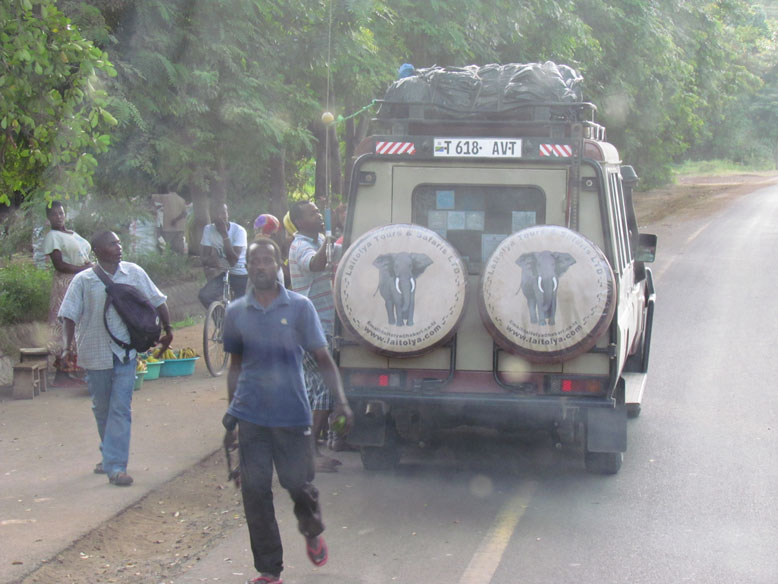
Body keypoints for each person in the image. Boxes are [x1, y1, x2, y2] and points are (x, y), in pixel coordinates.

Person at [222, 238, 353, 584]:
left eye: (268, 260)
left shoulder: (299, 307)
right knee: (254, 491)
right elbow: (235, 367)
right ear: (247, 268)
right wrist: (231, 419)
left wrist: (341, 401)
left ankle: (311, 530)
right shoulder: (235, 313)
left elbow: (324, 359)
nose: (261, 266)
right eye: (255, 261)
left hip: (292, 415)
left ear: (279, 264)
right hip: (251, 416)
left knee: (297, 484)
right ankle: (269, 569)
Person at [58, 230, 173, 487]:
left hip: (126, 352)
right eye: (112, 243)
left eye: (119, 242)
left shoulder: (133, 273)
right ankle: (109, 456)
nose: (118, 247)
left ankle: (116, 467)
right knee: (102, 407)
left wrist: (169, 329)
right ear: (97, 251)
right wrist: (66, 347)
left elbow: (158, 300)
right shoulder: (84, 280)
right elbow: (68, 315)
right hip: (95, 352)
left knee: (120, 408)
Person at [288, 200, 348, 470]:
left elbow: (341, 252)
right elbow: (315, 264)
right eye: (312, 214)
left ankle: (315, 445)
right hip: (309, 328)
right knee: (324, 387)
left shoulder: (320, 239)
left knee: (316, 390)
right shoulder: (300, 245)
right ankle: (309, 453)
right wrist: (328, 243)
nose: (318, 216)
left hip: (321, 324)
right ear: (300, 222)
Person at [42, 201, 93, 386]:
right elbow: (59, 265)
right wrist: (82, 269)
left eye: (61, 213)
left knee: (78, 322)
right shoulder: (53, 236)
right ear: (48, 218)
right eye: (54, 214)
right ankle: (62, 373)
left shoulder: (72, 233)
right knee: (64, 322)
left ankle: (73, 370)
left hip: (79, 281)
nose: (59, 217)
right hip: (65, 283)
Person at [198, 200, 248, 308]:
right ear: (212, 216)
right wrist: (212, 261)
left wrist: (224, 234)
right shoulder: (208, 229)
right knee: (205, 295)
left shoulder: (239, 231)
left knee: (241, 308)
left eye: (223, 213)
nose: (220, 217)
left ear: (228, 214)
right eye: (217, 214)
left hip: (242, 274)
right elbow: (204, 258)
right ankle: (221, 322)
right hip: (226, 274)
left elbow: (233, 261)